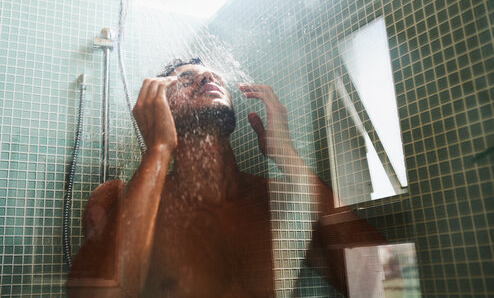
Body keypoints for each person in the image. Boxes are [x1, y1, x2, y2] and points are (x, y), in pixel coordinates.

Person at [66, 58, 380, 298]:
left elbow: (384, 285)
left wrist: (287, 156)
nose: (205, 76)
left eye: (212, 75)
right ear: (160, 107)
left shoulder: (280, 200)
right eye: (186, 78)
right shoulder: (116, 198)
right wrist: (158, 149)